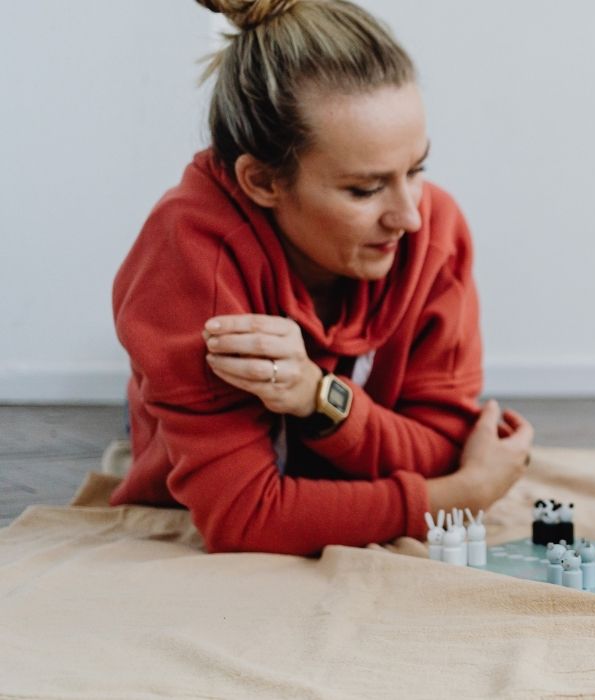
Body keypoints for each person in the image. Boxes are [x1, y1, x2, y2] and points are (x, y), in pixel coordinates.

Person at [110, 0, 532, 555]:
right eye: (365, 189)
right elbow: (246, 519)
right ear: (262, 181)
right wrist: (460, 496)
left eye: (417, 170)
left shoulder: (435, 230)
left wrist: (320, 396)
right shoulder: (188, 261)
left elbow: (443, 444)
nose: (409, 216)